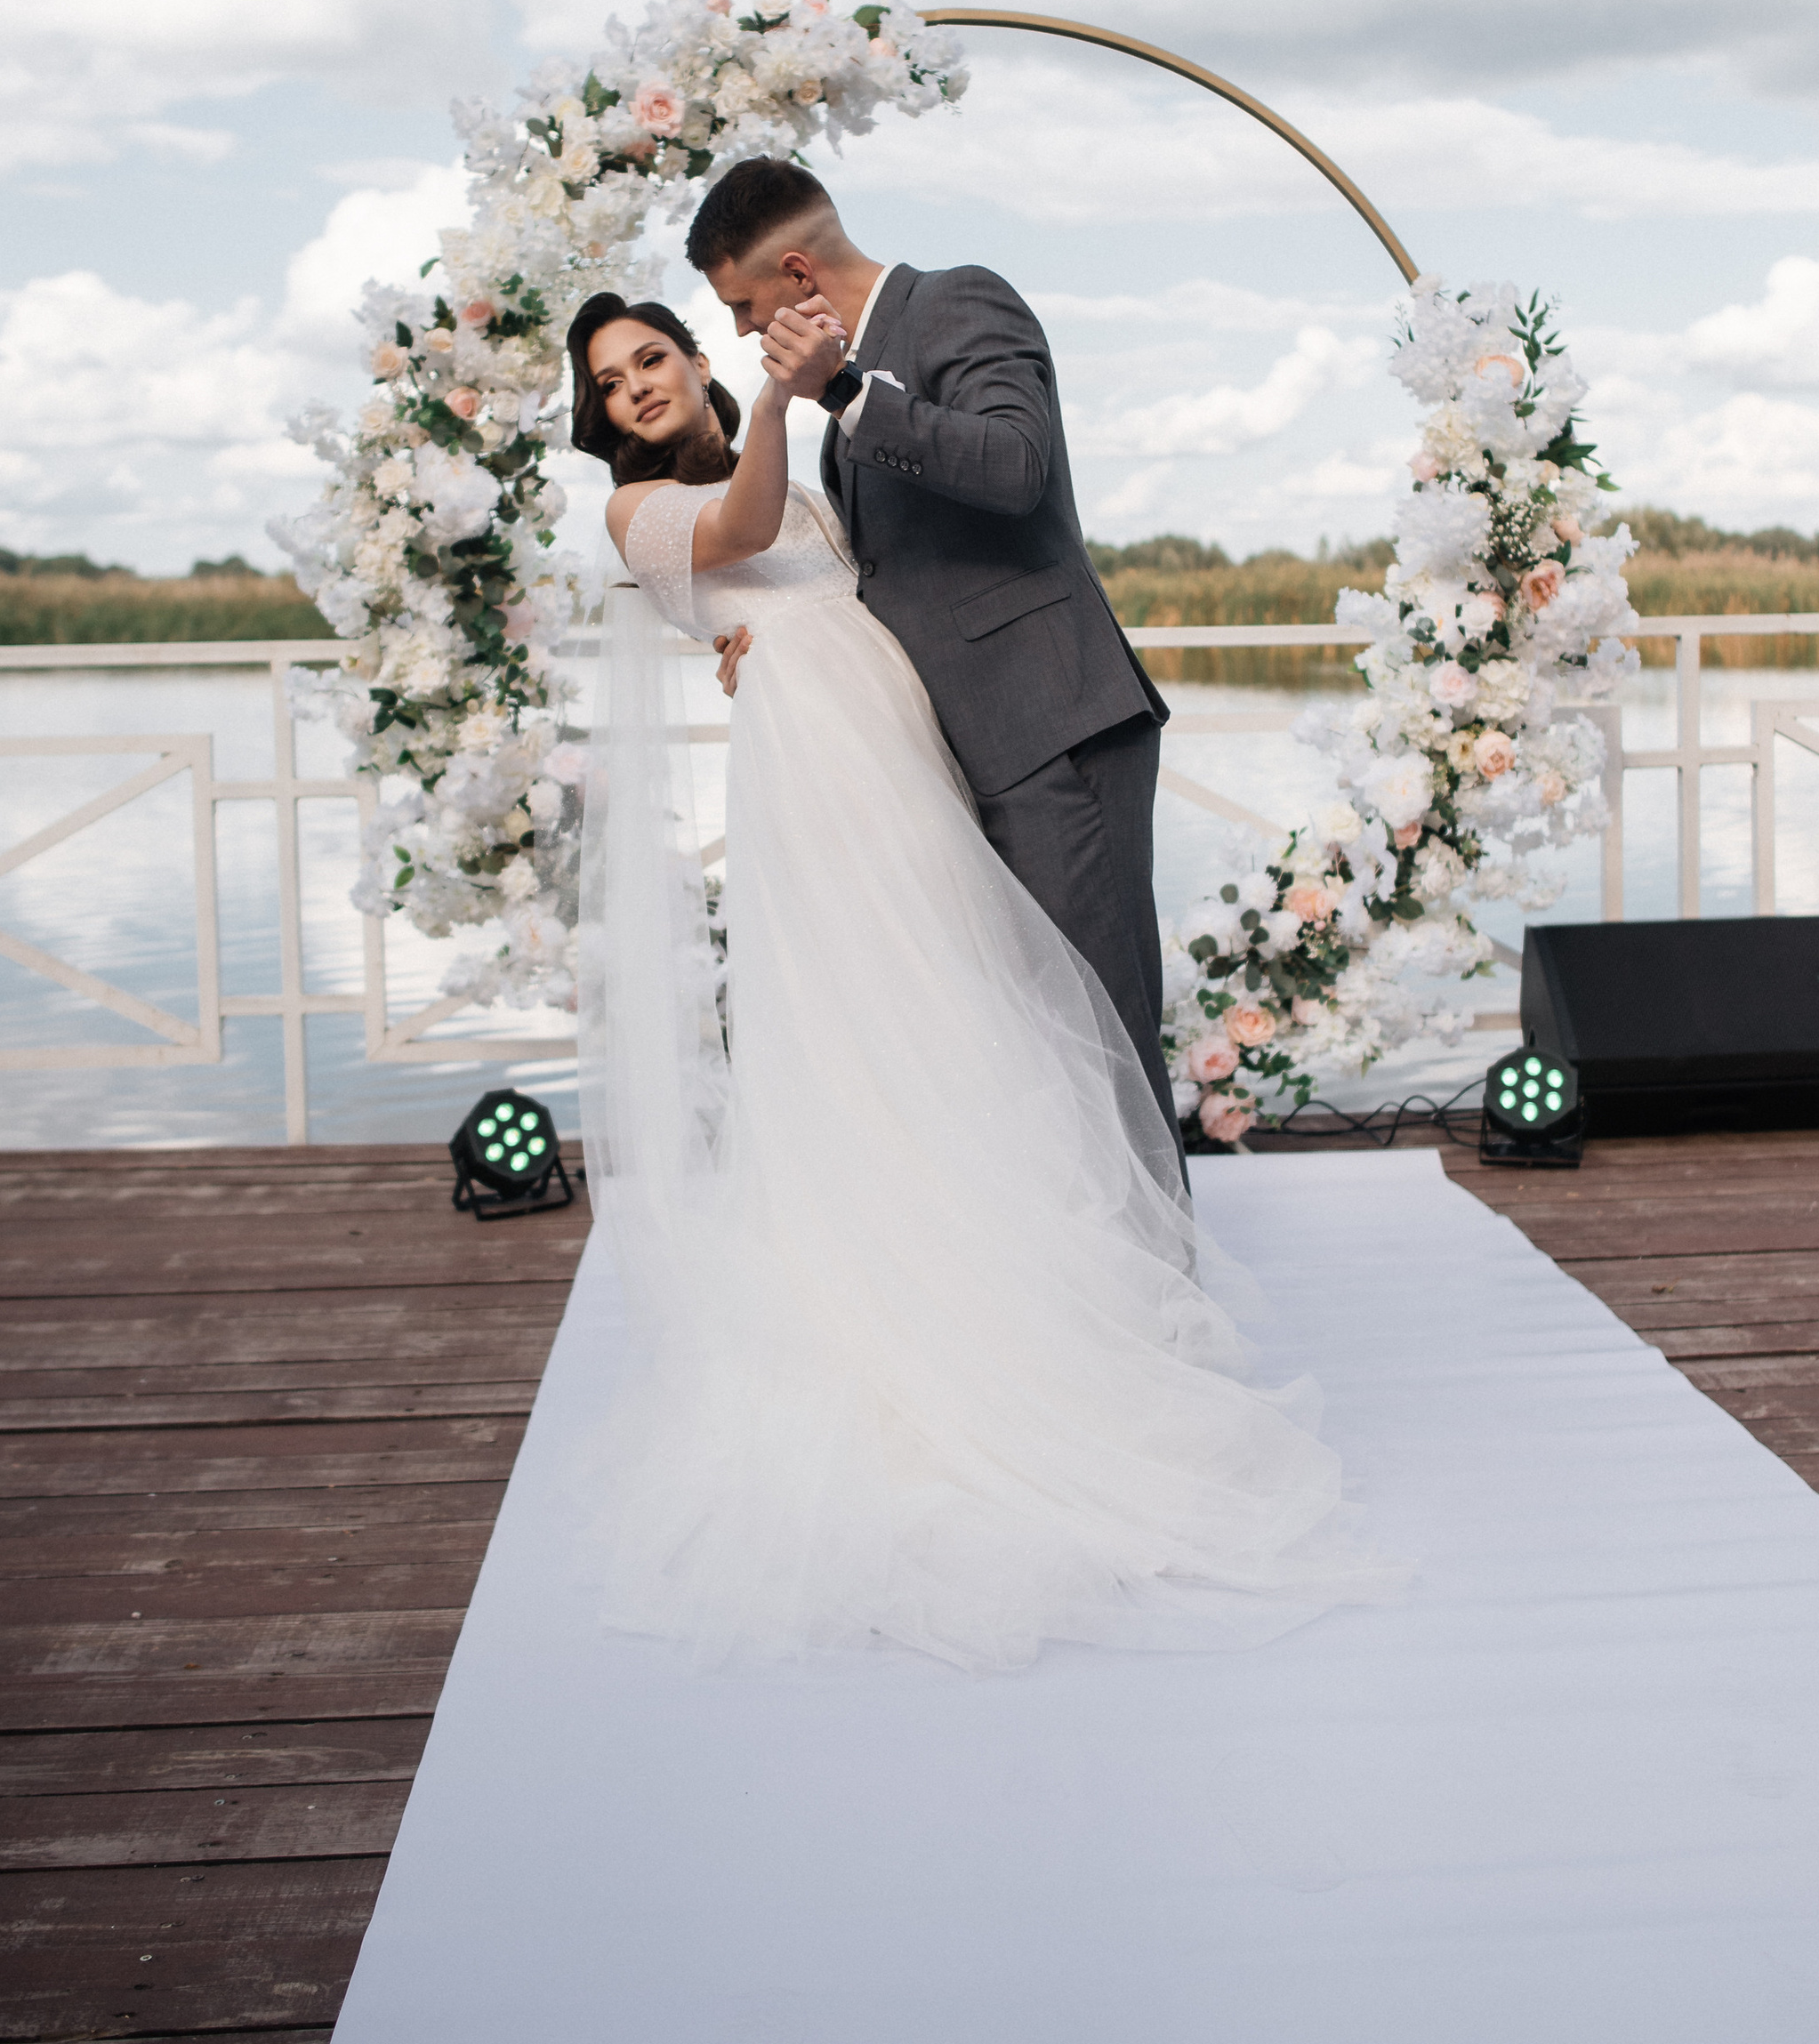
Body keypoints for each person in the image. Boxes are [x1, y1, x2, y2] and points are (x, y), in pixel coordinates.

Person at [564, 287, 1380, 1674]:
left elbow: (858, 580)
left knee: (963, 1003)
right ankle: (890, 1320)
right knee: (870, 1007)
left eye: (652, 356)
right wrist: (787, 395)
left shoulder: (798, 466)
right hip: (817, 766)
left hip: (902, 741)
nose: (637, 384)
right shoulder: (636, 509)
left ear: (692, 359)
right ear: (601, 414)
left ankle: (1019, 1285)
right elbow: (740, 538)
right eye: (610, 379)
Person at [683, 158, 1179, 1139]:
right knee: (1036, 1045)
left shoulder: (958, 302)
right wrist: (773, 643)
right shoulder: (839, 413)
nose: (741, 331)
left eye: (743, 306)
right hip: (959, 758)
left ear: (796, 274)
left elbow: (1017, 466)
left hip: (1052, 729)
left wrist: (847, 391)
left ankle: (1163, 1249)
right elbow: (878, 576)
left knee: (1105, 1036)